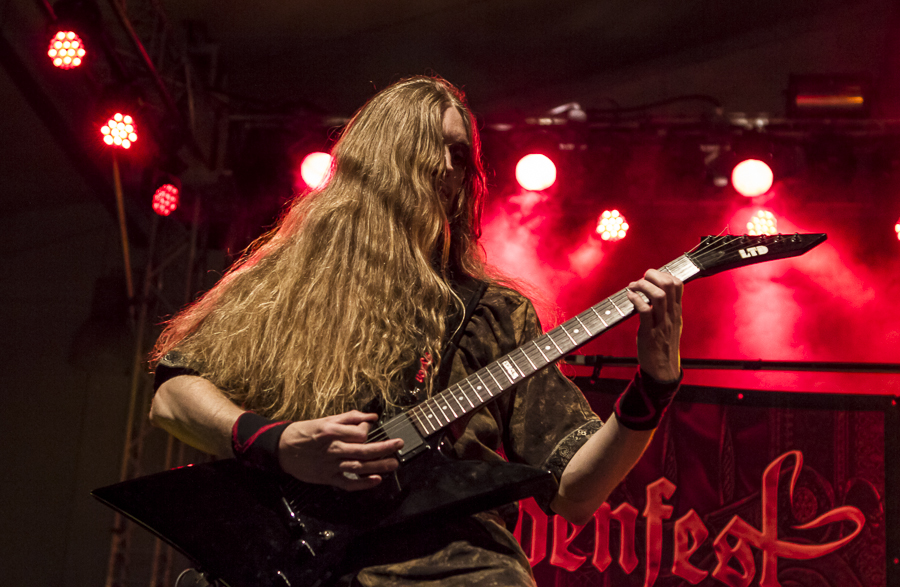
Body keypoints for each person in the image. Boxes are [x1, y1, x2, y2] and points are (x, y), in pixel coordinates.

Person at [149, 76, 683, 586]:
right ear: (378, 157)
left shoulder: (495, 313)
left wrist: (653, 389)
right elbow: (173, 397)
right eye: (432, 147)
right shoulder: (284, 285)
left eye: (460, 156)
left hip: (457, 570)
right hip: (300, 562)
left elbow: (575, 492)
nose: (447, 168)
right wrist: (280, 443)